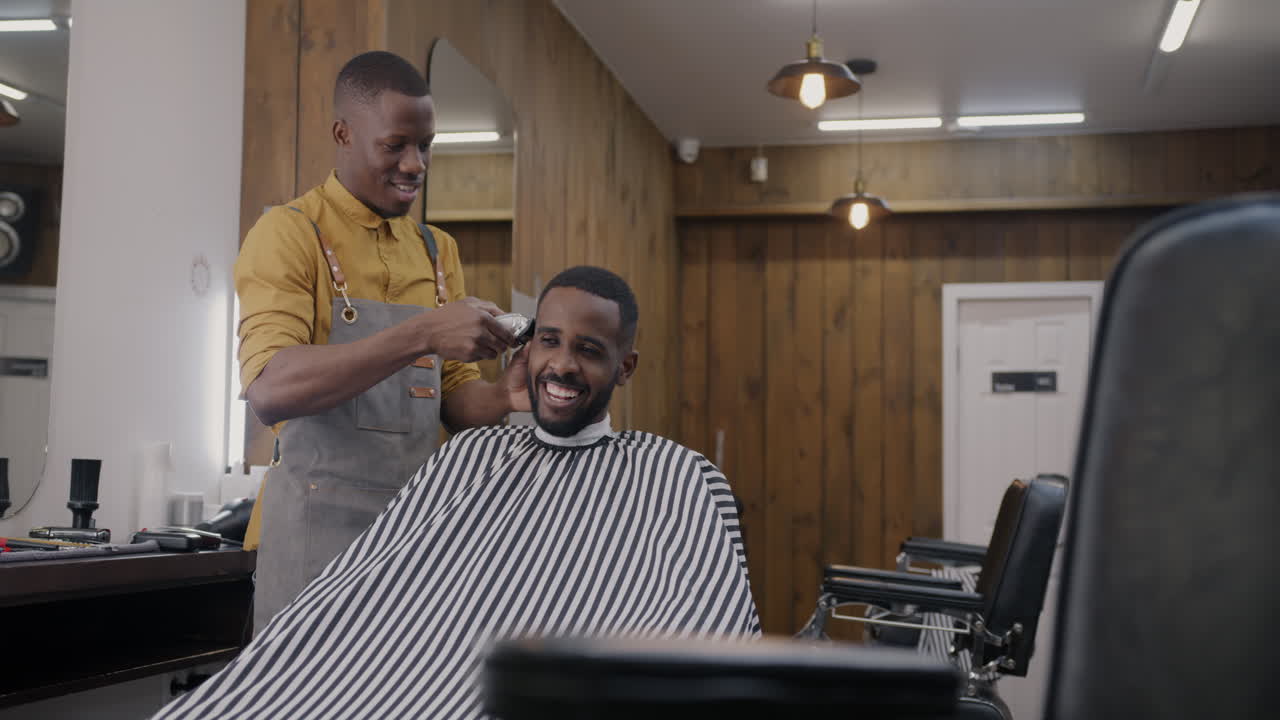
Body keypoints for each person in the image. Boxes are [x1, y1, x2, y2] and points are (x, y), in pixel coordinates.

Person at [153, 266, 759, 720]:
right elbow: (360, 599)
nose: (563, 364)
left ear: (625, 368)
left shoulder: (678, 478)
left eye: (590, 350)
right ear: (526, 349)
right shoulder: (473, 457)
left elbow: (707, 634)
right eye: (549, 341)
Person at [235, 51, 529, 631]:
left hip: (410, 539)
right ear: (343, 133)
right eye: (395, 145)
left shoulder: (436, 250)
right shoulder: (290, 233)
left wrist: (507, 396)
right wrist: (421, 331)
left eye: (426, 146)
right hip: (312, 543)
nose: (415, 164)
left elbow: (454, 400)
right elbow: (270, 388)